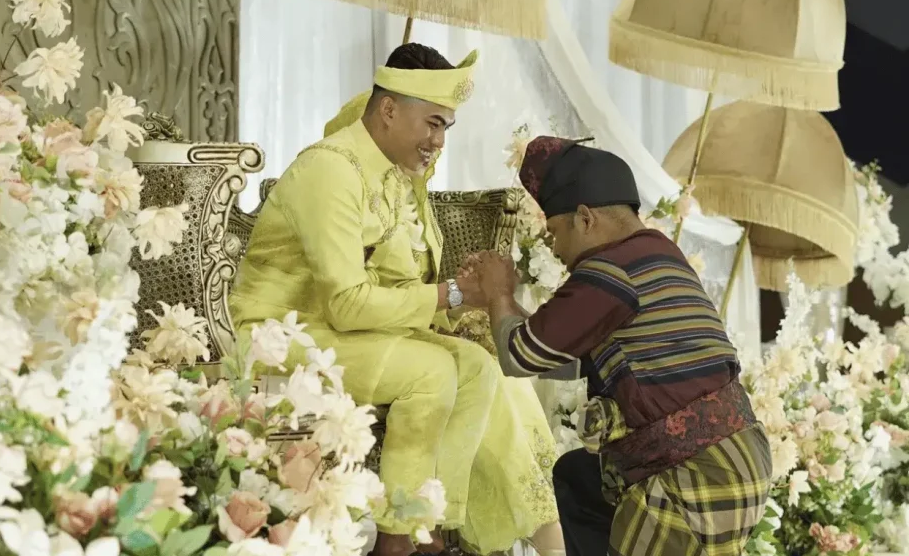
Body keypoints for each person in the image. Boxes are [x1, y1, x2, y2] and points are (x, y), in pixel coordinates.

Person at [229, 44, 563, 556]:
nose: (438, 141)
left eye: (445, 128)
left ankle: (434, 528)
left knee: (475, 365)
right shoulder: (331, 169)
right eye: (432, 123)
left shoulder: (392, 177)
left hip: (339, 334)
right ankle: (396, 538)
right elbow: (344, 303)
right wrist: (451, 294)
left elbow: (396, 287)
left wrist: (459, 296)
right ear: (388, 110)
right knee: (430, 372)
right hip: (278, 335)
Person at [458, 136, 772, 556]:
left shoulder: (608, 271)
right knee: (577, 478)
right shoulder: (658, 252)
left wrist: (499, 293)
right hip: (738, 459)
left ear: (585, 219)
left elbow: (520, 356)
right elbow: (568, 362)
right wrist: (501, 306)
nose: (558, 251)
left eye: (554, 233)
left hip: (699, 476)